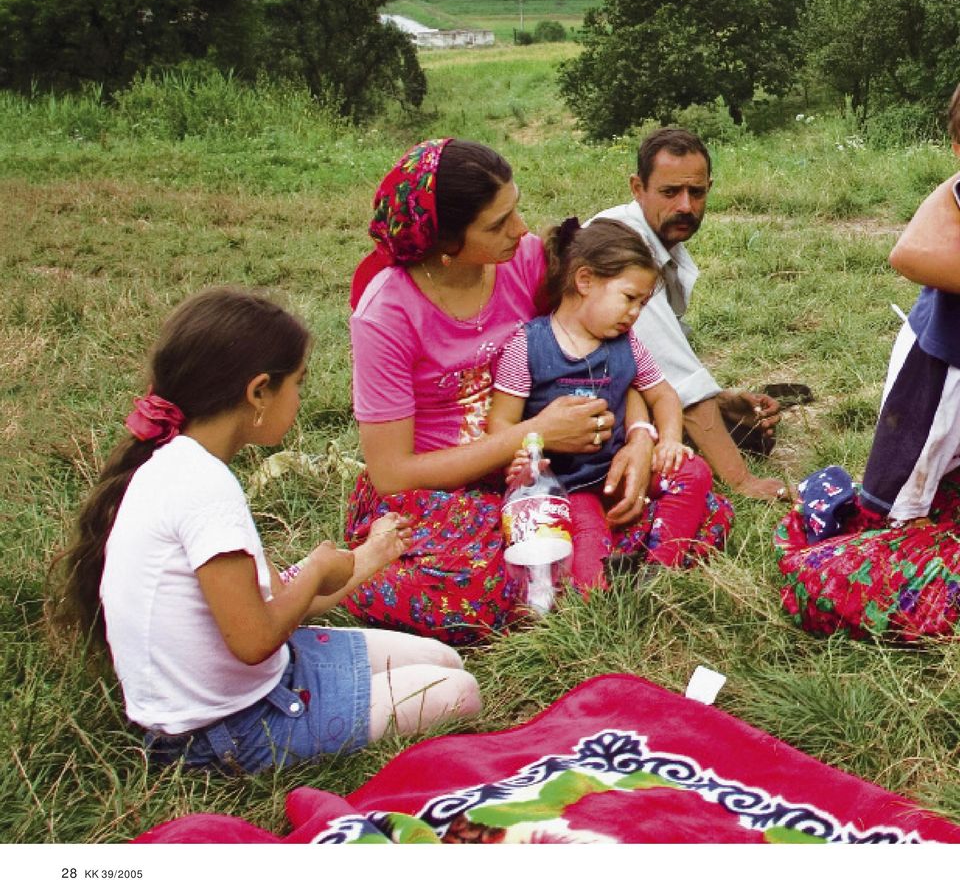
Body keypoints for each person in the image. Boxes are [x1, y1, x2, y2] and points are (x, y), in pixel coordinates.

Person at [52, 286, 481, 774]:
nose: (302, 397)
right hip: (224, 731)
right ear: (258, 392)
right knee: (458, 693)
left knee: (442, 660)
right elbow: (255, 639)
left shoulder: (177, 463)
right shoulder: (205, 490)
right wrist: (319, 567)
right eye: (298, 382)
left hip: (260, 680)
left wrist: (369, 556)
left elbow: (276, 596)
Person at [345, 138, 652, 643]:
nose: (523, 229)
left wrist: (639, 436)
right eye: (496, 224)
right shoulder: (386, 315)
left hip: (554, 467)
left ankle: (576, 573)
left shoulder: (525, 262)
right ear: (445, 245)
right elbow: (392, 474)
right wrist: (535, 434)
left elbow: (611, 349)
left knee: (675, 489)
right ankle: (358, 572)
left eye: (515, 208)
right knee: (493, 580)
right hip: (440, 490)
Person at [775, 87, 960, 640]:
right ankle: (871, 543)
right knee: (907, 496)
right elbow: (908, 254)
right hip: (944, 368)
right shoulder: (952, 200)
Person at [487, 217, 733, 590]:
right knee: (585, 564)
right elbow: (501, 423)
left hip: (619, 470)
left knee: (693, 471)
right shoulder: (527, 345)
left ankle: (658, 567)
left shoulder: (627, 344)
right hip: (569, 488)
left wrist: (667, 440)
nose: (635, 313)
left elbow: (662, 394)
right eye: (629, 298)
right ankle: (604, 580)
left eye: (643, 303)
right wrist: (520, 458)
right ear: (584, 281)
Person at [591, 127, 785, 500]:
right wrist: (743, 481)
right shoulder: (621, 247)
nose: (685, 206)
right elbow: (677, 376)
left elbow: (654, 358)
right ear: (637, 187)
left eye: (696, 192)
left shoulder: (657, 233)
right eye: (669, 192)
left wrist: (723, 401)